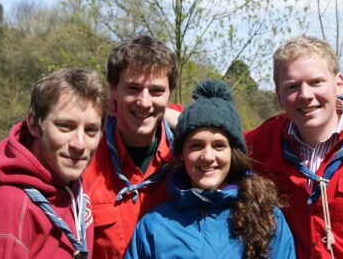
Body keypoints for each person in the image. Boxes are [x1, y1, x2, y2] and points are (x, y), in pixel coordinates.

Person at [244, 36, 343, 259]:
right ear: (279, 96)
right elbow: (208, 139)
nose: (305, 95)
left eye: (316, 82)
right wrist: (170, 113)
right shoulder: (261, 143)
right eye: (292, 86)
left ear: (339, 83)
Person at [125, 79, 296, 259]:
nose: (207, 156)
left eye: (219, 146)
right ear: (182, 153)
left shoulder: (267, 219)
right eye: (196, 146)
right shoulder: (153, 227)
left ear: (233, 153)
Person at [0, 68, 109, 258]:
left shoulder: (72, 185)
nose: (79, 144)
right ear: (35, 125)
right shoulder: (10, 206)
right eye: (65, 126)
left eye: (91, 130)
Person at [82, 34, 182, 259]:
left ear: (169, 93)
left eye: (156, 91)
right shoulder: (83, 158)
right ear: (113, 90)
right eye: (133, 89)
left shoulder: (191, 158)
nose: (145, 102)